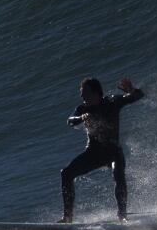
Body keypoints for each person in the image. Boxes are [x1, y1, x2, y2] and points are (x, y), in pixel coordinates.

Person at [61, 77, 145, 222]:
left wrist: (131, 90)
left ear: (96, 93)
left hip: (113, 152)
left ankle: (122, 215)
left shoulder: (111, 102)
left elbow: (138, 96)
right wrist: (81, 118)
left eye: (85, 92)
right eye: (81, 93)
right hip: (93, 153)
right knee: (66, 173)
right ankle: (68, 217)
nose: (82, 96)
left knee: (118, 175)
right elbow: (70, 120)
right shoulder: (82, 109)